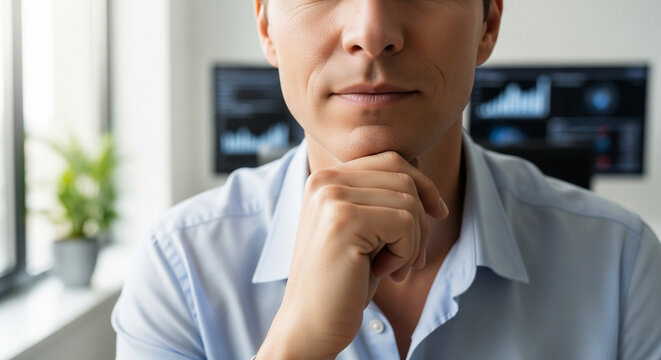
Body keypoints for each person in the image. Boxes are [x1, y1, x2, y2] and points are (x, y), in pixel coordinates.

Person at [111, 0, 661, 358]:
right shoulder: (180, 267)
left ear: (487, 24)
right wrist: (297, 344)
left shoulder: (621, 262)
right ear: (266, 26)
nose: (371, 33)